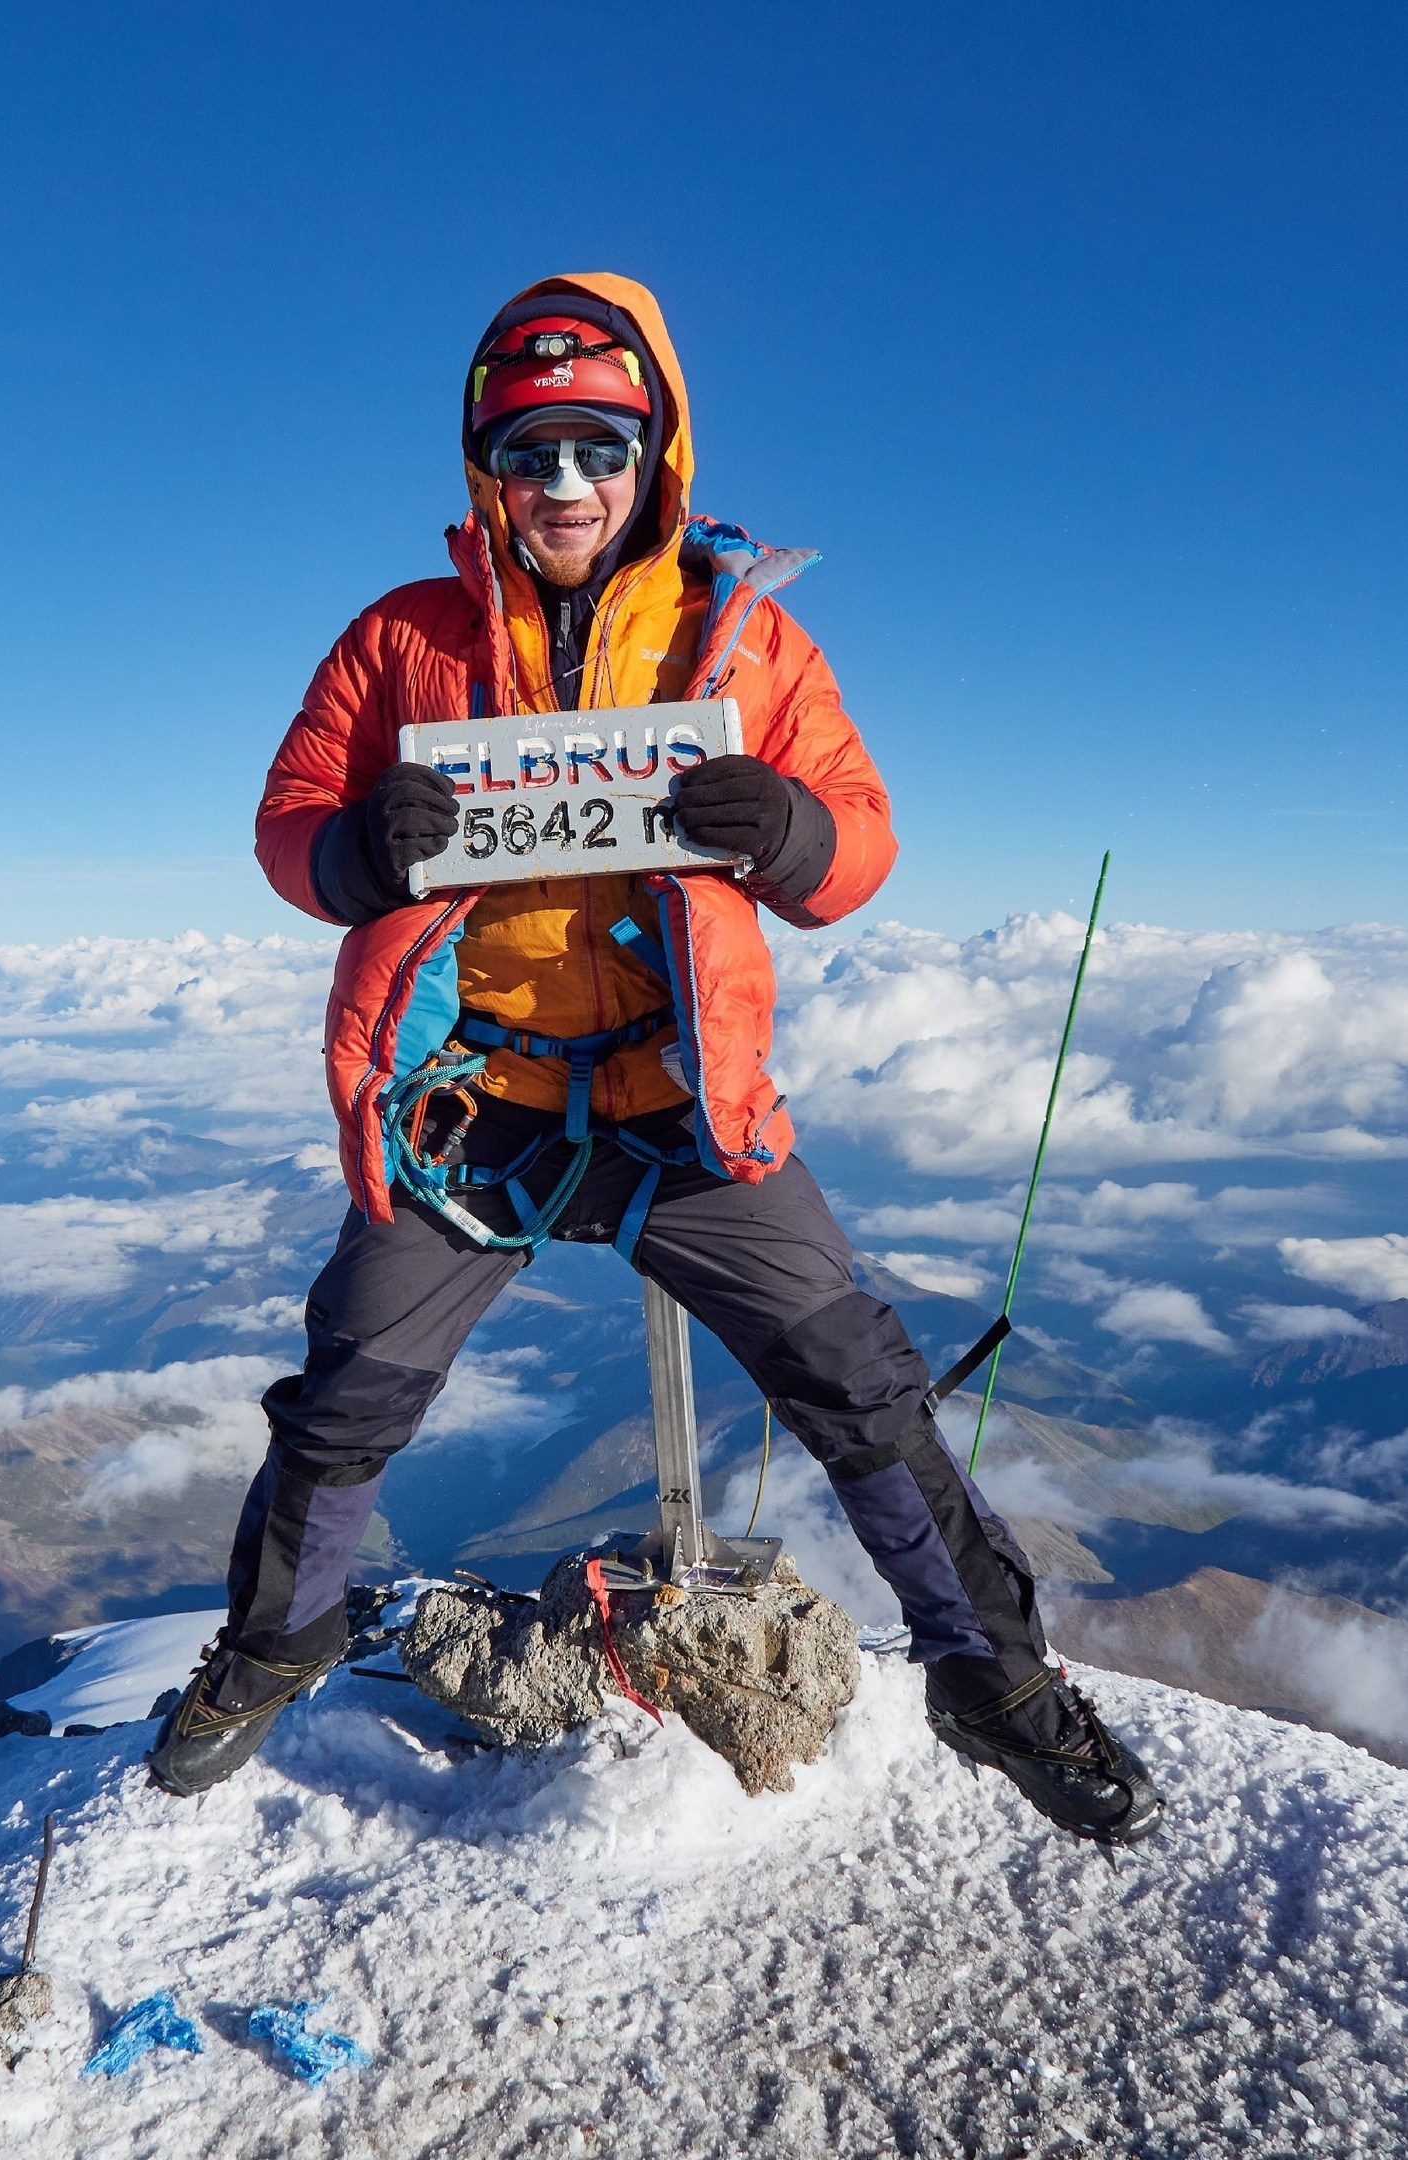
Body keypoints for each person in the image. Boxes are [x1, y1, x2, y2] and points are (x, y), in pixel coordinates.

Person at [147, 274, 1161, 1847]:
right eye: (529, 449)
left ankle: (993, 1679)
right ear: (484, 466)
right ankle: (278, 1642)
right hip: (469, 1100)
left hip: (680, 1098)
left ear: (655, 455)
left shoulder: (744, 640)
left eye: (598, 447)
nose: (563, 483)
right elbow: (293, 822)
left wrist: (793, 829)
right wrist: (355, 850)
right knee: (348, 1391)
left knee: (861, 1385)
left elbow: (859, 848)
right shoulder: (401, 638)